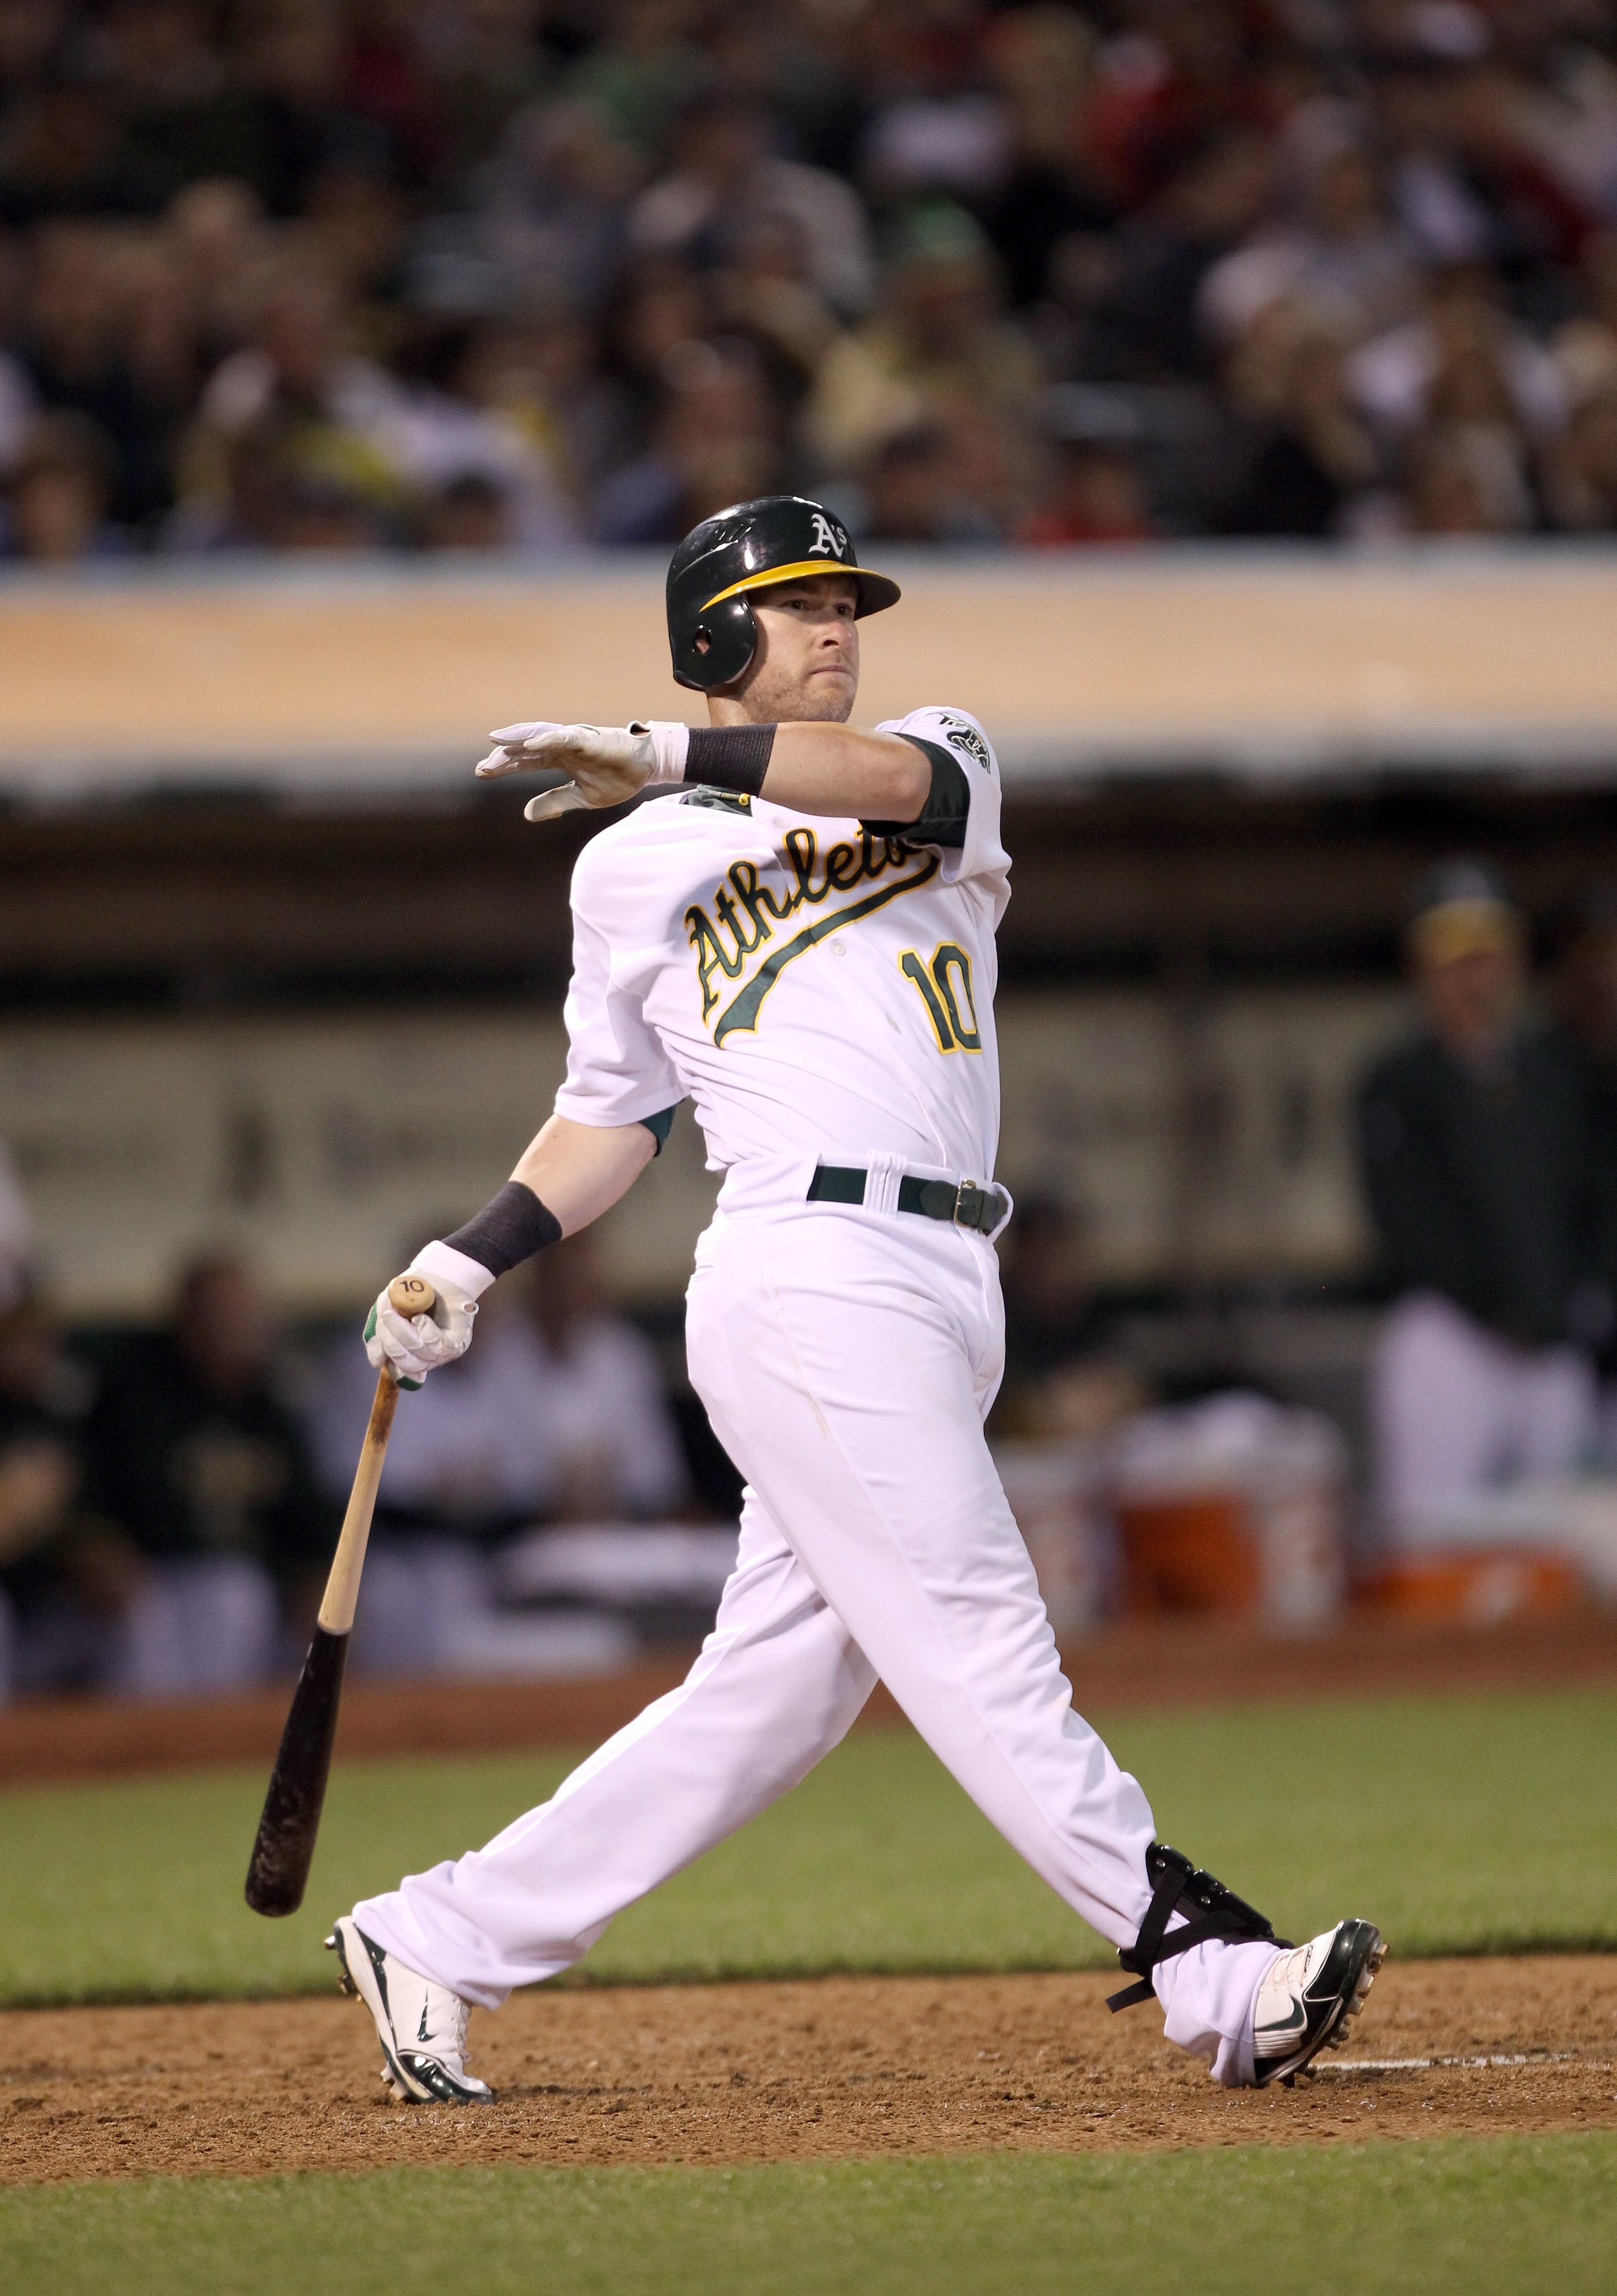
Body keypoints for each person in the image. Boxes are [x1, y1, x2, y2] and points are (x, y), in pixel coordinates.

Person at [327, 492, 1382, 2106]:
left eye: (846, 602)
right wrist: (469, 1256)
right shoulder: (628, 869)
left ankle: (439, 1931)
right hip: (804, 1269)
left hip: (951, 1273)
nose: (836, 628)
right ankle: (1210, 1971)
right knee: (977, 1635)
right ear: (708, 638)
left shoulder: (933, 752)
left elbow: (898, 785)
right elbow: (614, 1112)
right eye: (797, 603)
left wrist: (661, 754)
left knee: (774, 1698)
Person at [1358, 862, 1604, 1546]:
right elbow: (1407, 1229)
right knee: (1430, 1532)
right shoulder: (1399, 1082)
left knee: (1568, 1542)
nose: (1473, 976)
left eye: (1487, 954)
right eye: (1454, 958)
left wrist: (1569, 1301)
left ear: (1515, 960)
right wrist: (1503, 1306)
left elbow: (1592, 1203)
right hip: (1454, 1336)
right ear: (1424, 968)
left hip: (1550, 1344)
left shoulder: (1559, 1071)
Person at [85, 1254, 335, 1695]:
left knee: (264, 1599)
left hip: (254, 1583)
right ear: (183, 1320)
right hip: (155, 1580)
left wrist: (318, 1575)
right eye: (214, 1315)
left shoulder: (272, 1409)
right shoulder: (137, 1399)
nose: (228, 1329)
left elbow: (310, 1514)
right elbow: (100, 1500)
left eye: (240, 1315)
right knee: (223, 1598)